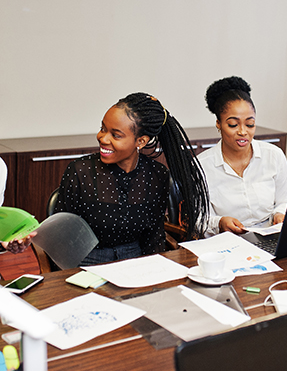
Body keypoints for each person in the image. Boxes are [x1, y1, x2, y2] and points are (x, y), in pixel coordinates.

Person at [55, 93, 210, 264]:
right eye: (103, 129)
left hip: (136, 262)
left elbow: (154, 237)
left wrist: (156, 269)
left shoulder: (157, 175)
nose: (102, 138)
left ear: (141, 141)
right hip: (87, 262)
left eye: (116, 135)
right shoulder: (80, 171)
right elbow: (59, 235)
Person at [198, 76, 287, 236]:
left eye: (250, 124)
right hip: (227, 240)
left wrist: (279, 214)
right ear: (218, 124)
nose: (243, 132)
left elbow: (285, 201)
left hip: (269, 236)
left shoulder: (274, 156)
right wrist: (219, 223)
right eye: (233, 125)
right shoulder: (202, 166)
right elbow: (199, 219)